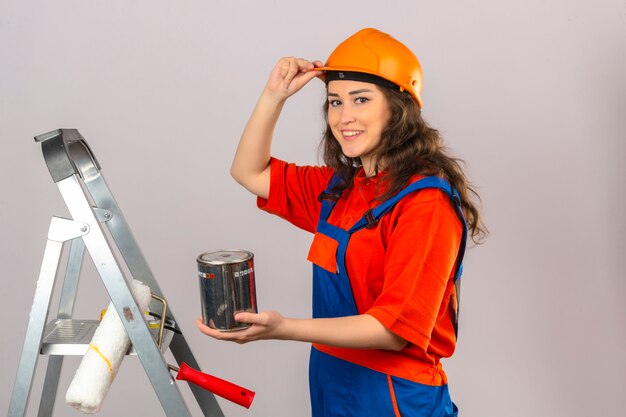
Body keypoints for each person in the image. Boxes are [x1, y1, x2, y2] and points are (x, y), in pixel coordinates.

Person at [196, 28, 487, 417]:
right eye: (334, 101)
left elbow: (391, 331)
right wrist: (274, 96)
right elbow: (248, 171)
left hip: (394, 395)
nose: (343, 116)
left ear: (398, 110)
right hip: (332, 381)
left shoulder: (426, 204)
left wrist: (283, 328)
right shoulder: (342, 187)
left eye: (361, 99)